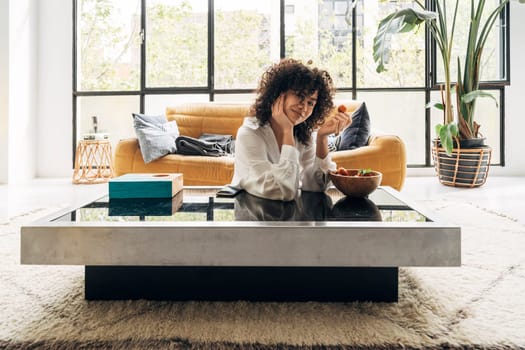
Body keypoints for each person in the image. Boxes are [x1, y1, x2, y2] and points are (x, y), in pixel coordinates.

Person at [231, 58, 352, 200]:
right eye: (299, 96)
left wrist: (322, 138)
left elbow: (315, 186)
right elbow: (282, 191)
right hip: (254, 215)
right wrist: (287, 130)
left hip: (289, 217)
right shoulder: (250, 134)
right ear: (278, 94)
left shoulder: (302, 135)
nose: (304, 107)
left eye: (310, 102)